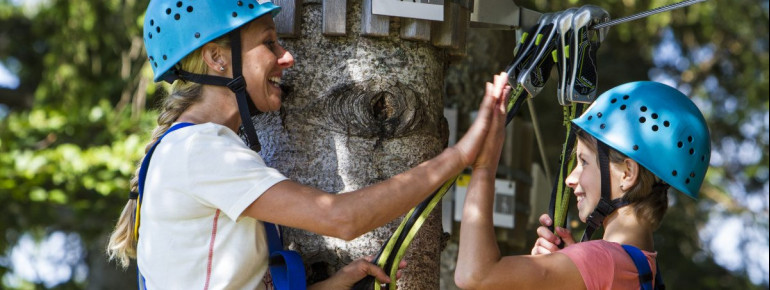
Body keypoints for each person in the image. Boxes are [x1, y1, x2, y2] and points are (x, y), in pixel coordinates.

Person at [105, 0, 511, 288]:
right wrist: (459, 155)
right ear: (217, 58)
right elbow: (341, 219)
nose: (287, 58)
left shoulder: (184, 151)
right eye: (269, 44)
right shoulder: (200, 150)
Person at [454, 81, 711, 289]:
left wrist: (484, 167)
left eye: (584, 162)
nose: (570, 178)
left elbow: (475, 276)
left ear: (627, 174)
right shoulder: (644, 271)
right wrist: (573, 269)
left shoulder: (603, 262)